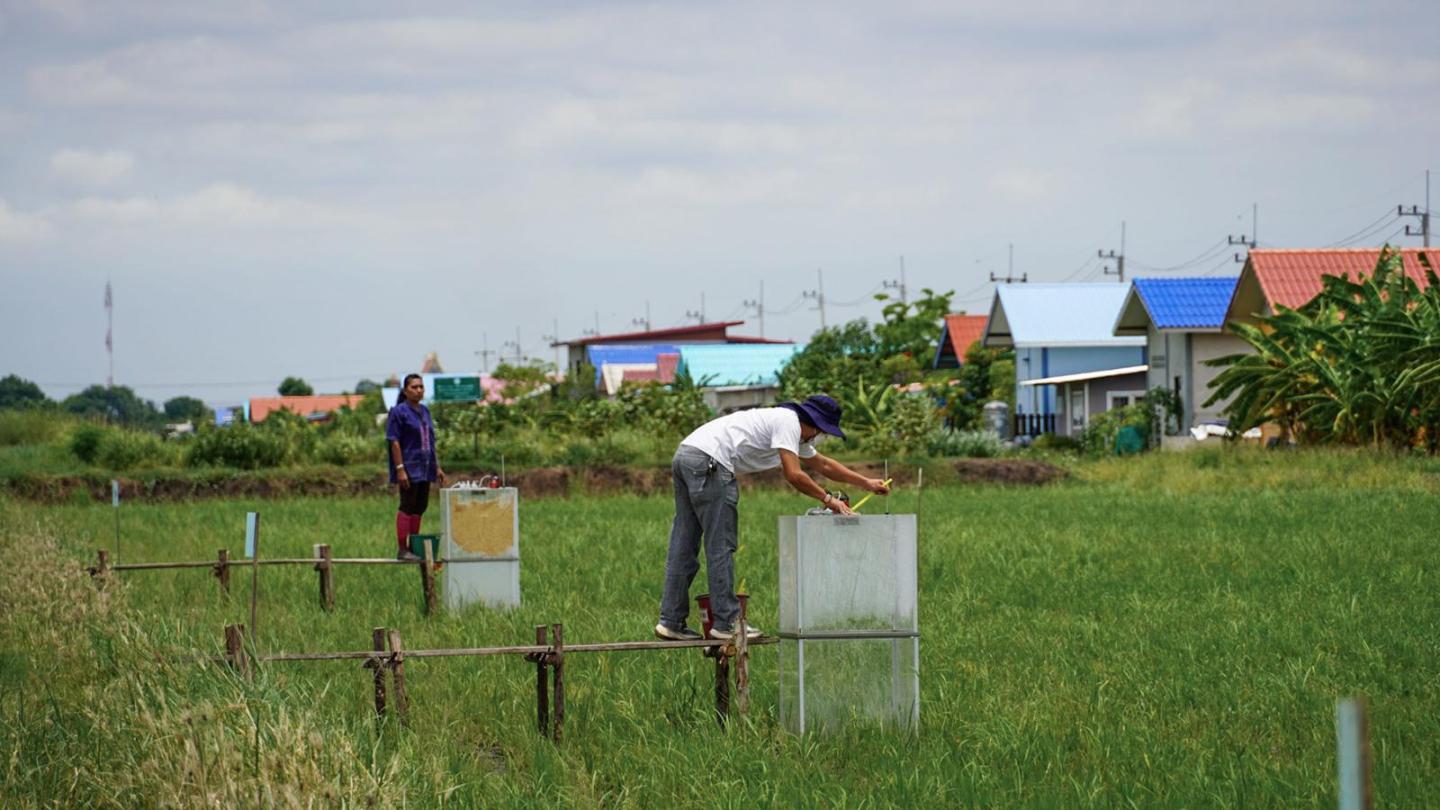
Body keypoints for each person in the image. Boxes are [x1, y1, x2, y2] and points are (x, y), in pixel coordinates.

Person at [655, 394, 889, 641]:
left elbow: (824, 465)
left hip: (687, 455)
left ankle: (671, 621)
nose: (817, 437)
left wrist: (865, 482)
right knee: (720, 546)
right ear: (811, 421)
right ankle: (726, 623)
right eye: (820, 431)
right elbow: (794, 474)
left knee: (683, 543)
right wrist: (830, 500)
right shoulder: (788, 423)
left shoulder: (788, 427)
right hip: (711, 462)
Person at [387, 374, 445, 561]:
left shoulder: (425, 411)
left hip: (426, 466)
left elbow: (431, 442)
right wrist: (400, 468)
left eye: (421, 387)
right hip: (409, 466)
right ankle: (403, 549)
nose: (418, 390)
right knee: (407, 504)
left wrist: (437, 467)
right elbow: (394, 441)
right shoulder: (398, 412)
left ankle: (415, 546)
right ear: (405, 391)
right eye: (414, 387)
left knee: (421, 506)